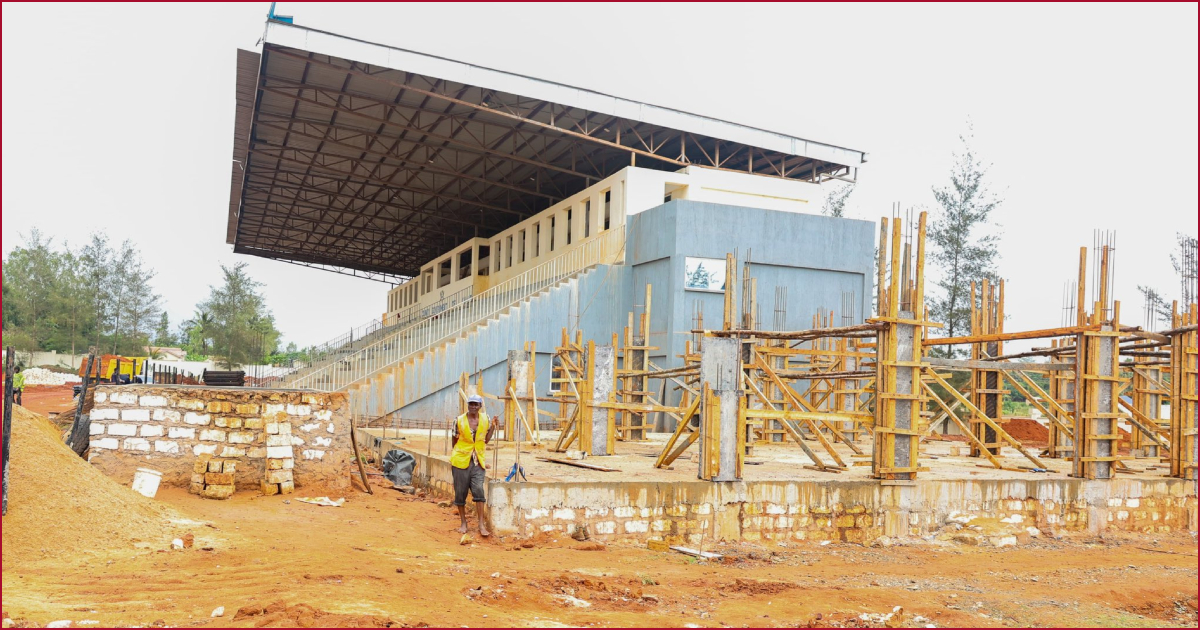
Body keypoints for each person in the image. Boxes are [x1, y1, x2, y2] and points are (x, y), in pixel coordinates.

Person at [451, 394, 495, 536]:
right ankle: (463, 523)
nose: (473, 407)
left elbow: (486, 440)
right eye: (471, 404)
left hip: (478, 460)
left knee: (478, 490)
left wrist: (493, 427)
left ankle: (481, 525)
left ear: (480, 406)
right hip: (461, 460)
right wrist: (459, 454)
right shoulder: (458, 420)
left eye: (476, 404)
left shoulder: (485, 419)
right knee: (460, 492)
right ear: (468, 405)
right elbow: (454, 440)